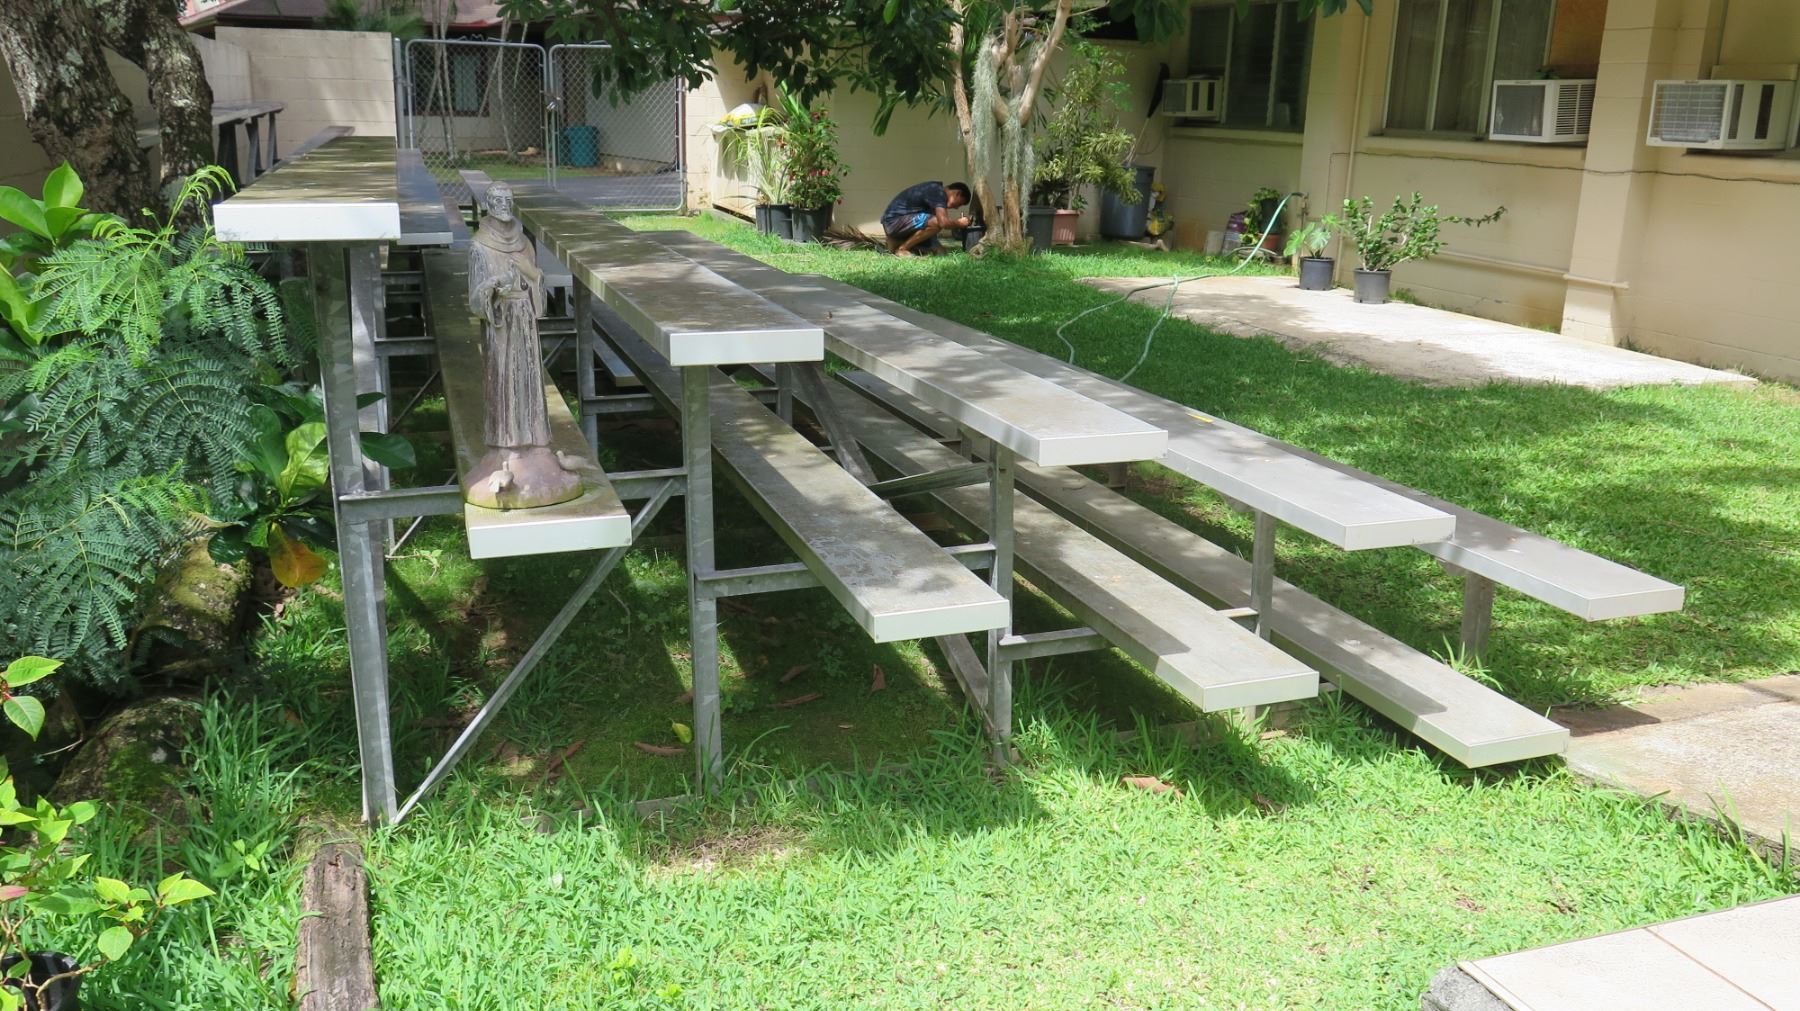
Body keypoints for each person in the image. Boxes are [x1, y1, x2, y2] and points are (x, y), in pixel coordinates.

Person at [881, 180, 971, 256]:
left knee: (941, 252)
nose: (956, 208)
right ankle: (902, 249)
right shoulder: (938, 192)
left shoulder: (936, 193)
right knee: (937, 222)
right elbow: (943, 223)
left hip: (899, 224)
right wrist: (960, 223)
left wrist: (936, 246)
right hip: (893, 222)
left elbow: (929, 225)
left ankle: (896, 242)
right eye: (959, 204)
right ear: (958, 193)